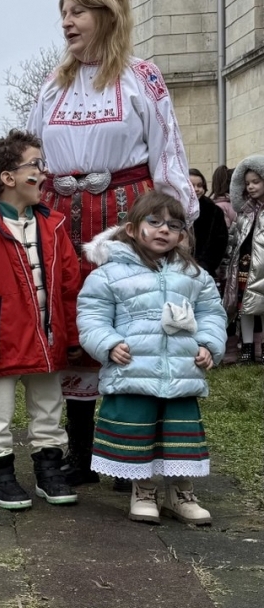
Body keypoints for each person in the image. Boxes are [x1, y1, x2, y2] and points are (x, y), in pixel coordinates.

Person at [27, 0, 197, 486]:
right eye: (63, 11)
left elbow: (169, 153)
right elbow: (34, 156)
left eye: (79, 10)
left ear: (109, 15)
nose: (67, 21)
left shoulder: (142, 76)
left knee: (132, 327)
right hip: (62, 221)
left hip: (127, 218)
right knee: (75, 326)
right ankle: (80, 454)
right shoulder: (52, 85)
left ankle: (128, 452)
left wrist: (176, 221)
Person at [77, 191, 225, 524]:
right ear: (131, 228)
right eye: (154, 222)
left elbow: (212, 311)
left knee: (179, 437)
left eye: (173, 225)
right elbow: (91, 316)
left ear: (182, 234)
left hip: (181, 371)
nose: (163, 230)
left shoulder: (193, 274)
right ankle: (142, 489)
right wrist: (108, 342)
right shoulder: (108, 274)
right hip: (133, 370)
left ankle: (180, 492)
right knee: (138, 433)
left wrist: (208, 343)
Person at [0, 131, 81, 510]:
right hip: (1, 343)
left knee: (49, 408)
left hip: (48, 339)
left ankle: (49, 470)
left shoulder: (55, 228)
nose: (43, 173)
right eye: (35, 165)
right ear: (8, 178)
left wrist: (71, 337)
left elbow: (70, 289)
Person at [222, 155, 264, 364]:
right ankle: (246, 348)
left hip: (262, 269)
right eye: (247, 183)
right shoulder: (244, 212)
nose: (251, 187)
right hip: (245, 265)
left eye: (256, 182)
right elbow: (234, 238)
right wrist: (227, 264)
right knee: (245, 307)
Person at [188, 168, 229, 279]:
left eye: (200, 185)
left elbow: (220, 242)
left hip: (203, 272)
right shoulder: (173, 208)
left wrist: (204, 265)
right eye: (191, 185)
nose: (196, 189)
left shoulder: (214, 211)